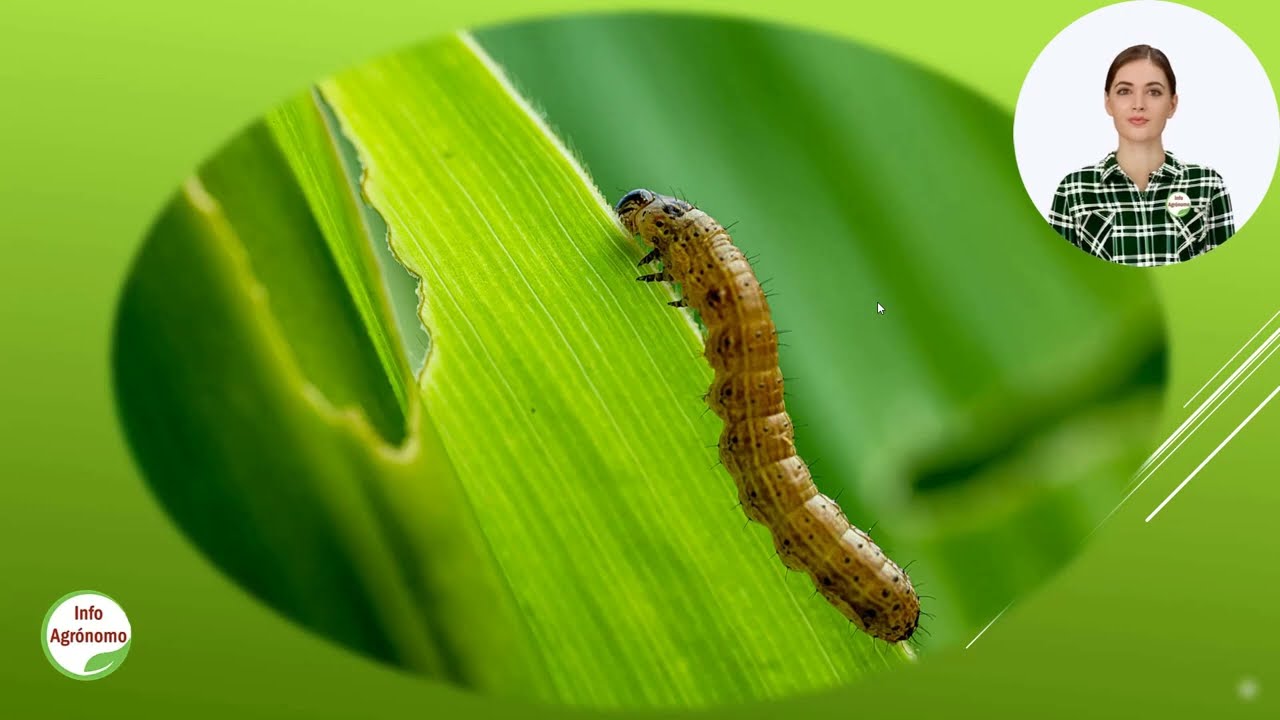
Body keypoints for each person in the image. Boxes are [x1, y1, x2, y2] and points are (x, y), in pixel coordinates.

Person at [1049, 44, 1234, 266]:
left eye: (1153, 92)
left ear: (1172, 104)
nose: (1138, 105)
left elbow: (1224, 279)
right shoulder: (1073, 190)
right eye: (1124, 91)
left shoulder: (1207, 184)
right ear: (1108, 102)